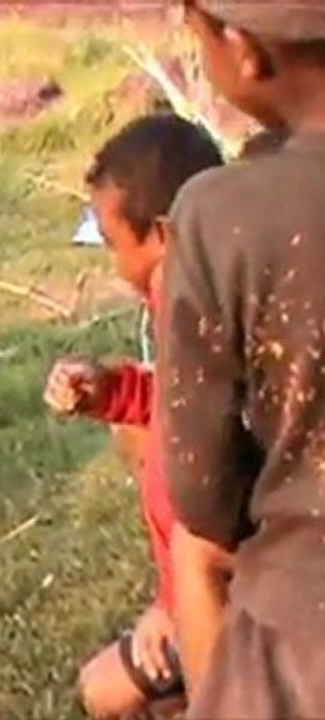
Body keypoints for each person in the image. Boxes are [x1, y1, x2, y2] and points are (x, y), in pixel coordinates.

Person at [160, 2, 325, 717]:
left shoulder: (224, 213)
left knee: (198, 554)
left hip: (305, 635)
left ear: (246, 50)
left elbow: (204, 491)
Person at [43, 114, 224, 719]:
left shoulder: (205, 320)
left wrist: (173, 604)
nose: (116, 265)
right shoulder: (197, 291)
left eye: (117, 243)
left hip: (241, 581)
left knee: (105, 691)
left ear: (165, 234)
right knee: (134, 428)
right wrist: (109, 392)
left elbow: (209, 502)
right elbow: (177, 400)